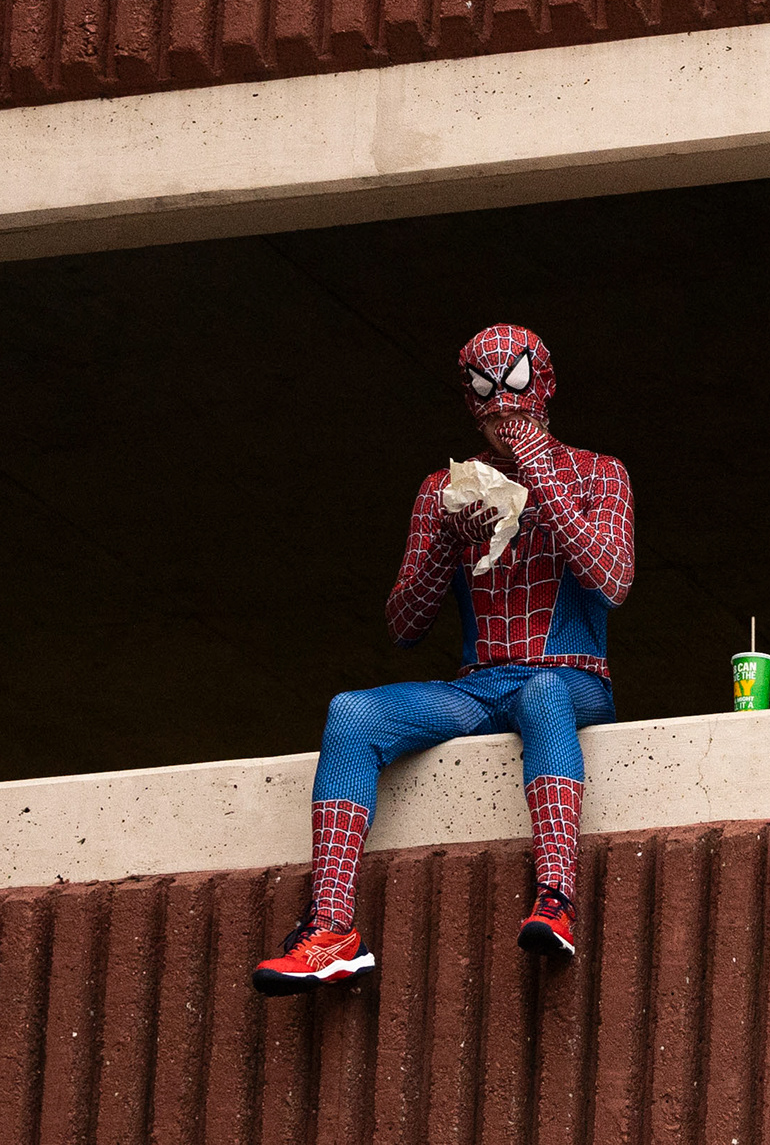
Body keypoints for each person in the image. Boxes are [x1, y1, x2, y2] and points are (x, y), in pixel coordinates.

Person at [251, 323, 637, 990]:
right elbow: (404, 623)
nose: (500, 407)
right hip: (481, 684)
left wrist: (543, 473)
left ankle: (557, 899)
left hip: (571, 677)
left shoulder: (601, 474)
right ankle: (331, 928)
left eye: (513, 384)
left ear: (542, 385)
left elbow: (612, 581)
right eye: (483, 392)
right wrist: (443, 545)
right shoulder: (445, 489)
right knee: (352, 714)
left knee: (543, 691)